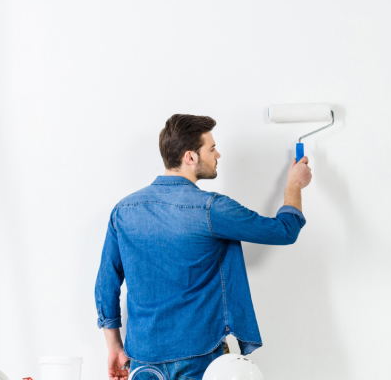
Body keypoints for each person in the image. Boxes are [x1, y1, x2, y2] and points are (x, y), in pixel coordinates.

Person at [95, 114, 312, 380]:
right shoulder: (211, 208)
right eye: (211, 148)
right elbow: (284, 230)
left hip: (143, 357)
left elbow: (106, 285)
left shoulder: (123, 211)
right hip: (199, 357)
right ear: (190, 157)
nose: (217, 154)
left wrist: (114, 346)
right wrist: (294, 185)